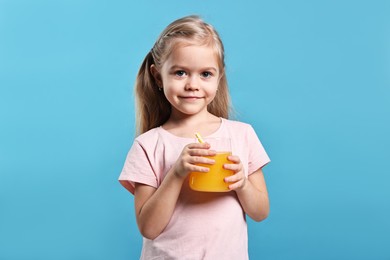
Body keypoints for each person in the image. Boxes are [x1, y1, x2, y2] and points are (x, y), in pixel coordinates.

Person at [119, 15, 271, 260]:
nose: (192, 84)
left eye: (205, 74)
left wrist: (242, 184)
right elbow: (148, 228)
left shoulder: (242, 135)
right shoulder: (148, 146)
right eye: (180, 73)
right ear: (158, 76)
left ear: (219, 77)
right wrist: (176, 173)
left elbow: (261, 212)